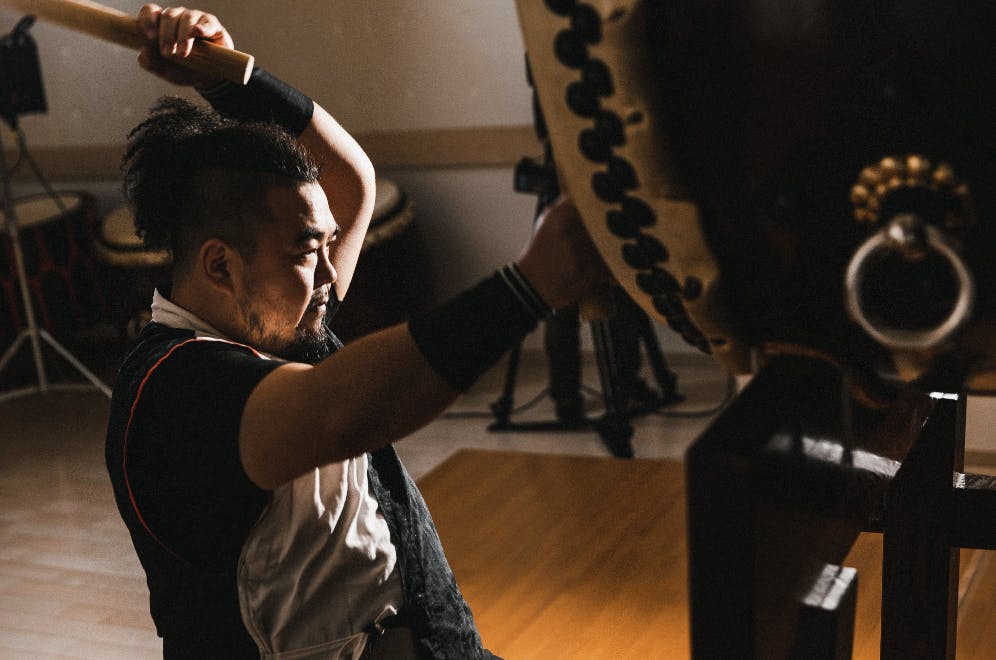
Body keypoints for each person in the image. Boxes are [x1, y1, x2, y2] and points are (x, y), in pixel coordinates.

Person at [104, 5, 608, 659]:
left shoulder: (282, 314)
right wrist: (528, 288)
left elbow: (350, 180)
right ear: (220, 265)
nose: (328, 274)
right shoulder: (172, 390)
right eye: (304, 250)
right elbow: (344, 411)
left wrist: (229, 78)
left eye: (327, 246)